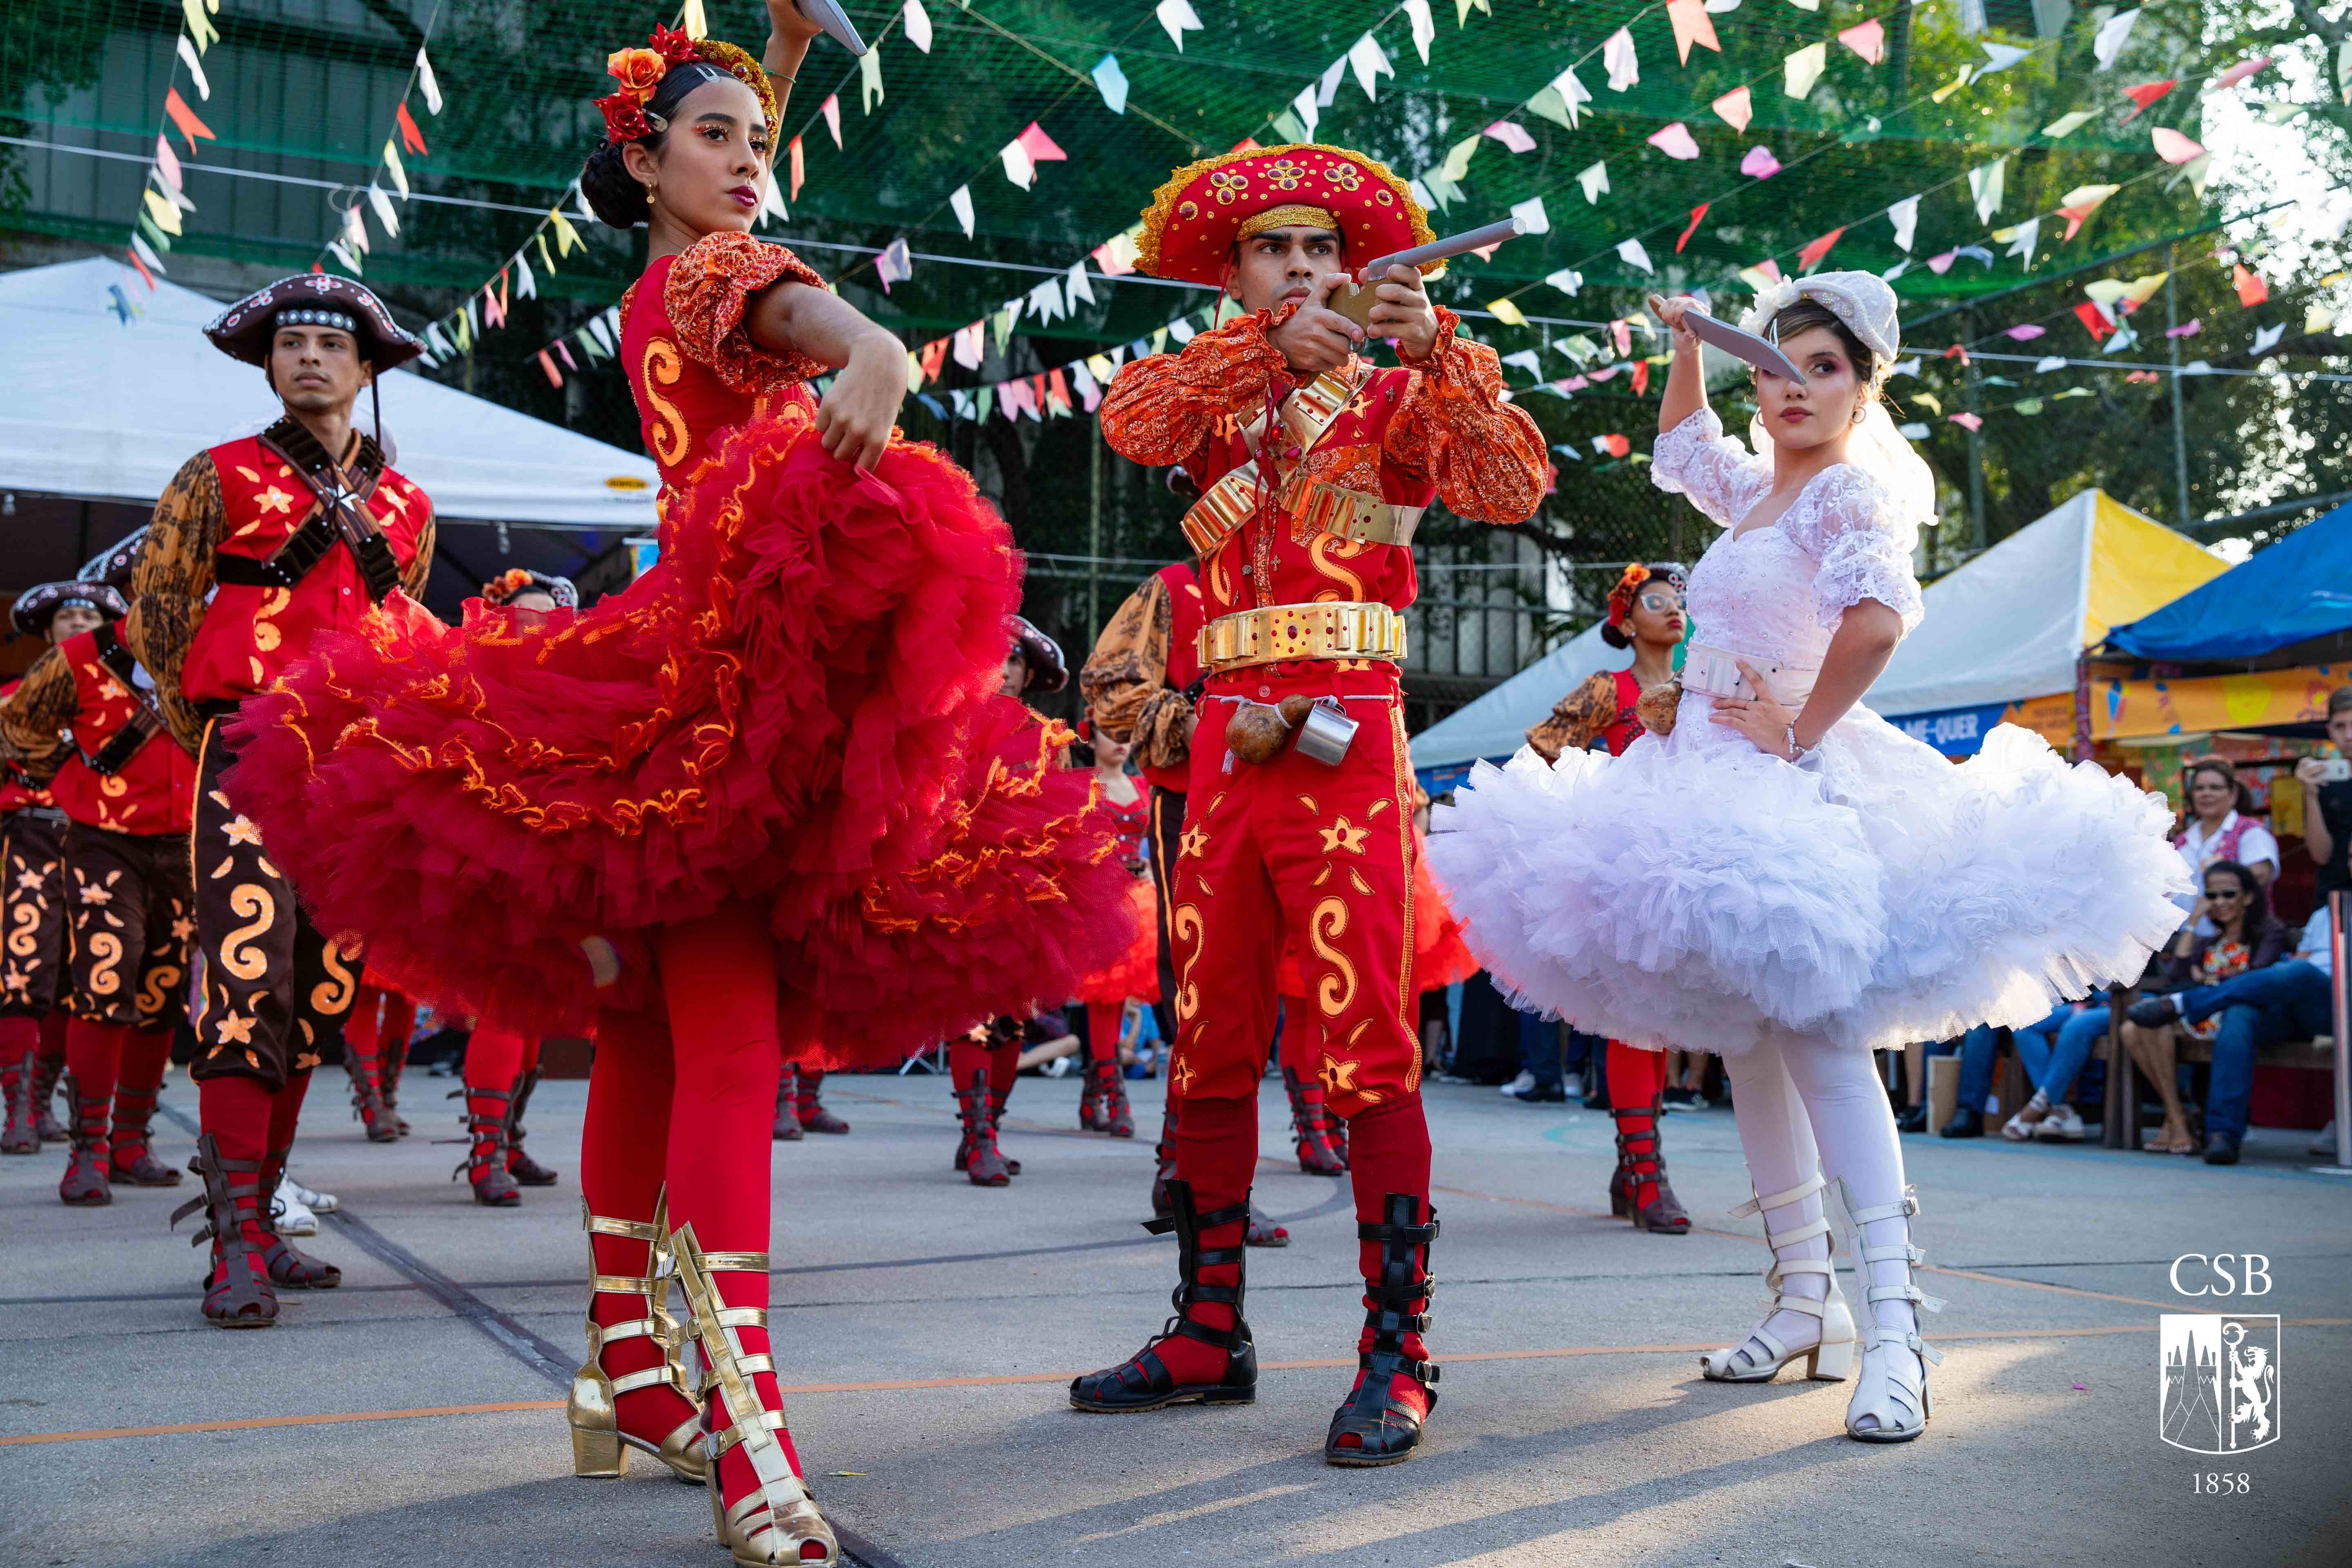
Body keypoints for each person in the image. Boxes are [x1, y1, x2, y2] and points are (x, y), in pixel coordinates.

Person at [212, 15, 1129, 1564]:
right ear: (644, 158)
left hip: (697, 658)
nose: (748, 161)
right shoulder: (709, 272)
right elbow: (833, 330)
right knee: (727, 1040)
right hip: (723, 682)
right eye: (716, 137)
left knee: (643, 1026)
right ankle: (751, 1439)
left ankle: (635, 1379)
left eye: (758, 140)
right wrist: (885, 354)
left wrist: (772, 56)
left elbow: (784, 315)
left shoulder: (662, 283)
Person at [1431, 273, 2187, 1443]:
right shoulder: (1752, 492)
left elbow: (1879, 616)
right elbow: (1680, 450)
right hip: (1705, 781)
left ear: (1861, 385)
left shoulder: (1841, 493)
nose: (1789, 388)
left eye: (1820, 368)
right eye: (1774, 367)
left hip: (1795, 787)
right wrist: (1686, 343)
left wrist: (1796, 727)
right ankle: (1802, 1304)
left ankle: (1896, 1333)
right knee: (1750, 1044)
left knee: (1824, 1046)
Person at [1070, 141, 1548, 1467]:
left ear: (1357, 270)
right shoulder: (1210, 393)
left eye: (1320, 249)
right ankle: (1204, 1329)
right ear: (1231, 277)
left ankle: (1399, 1351)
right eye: (1271, 250)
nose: (1299, 266)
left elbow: (1510, 486)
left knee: (1371, 1046)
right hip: (1222, 742)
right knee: (1208, 1037)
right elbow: (1129, 422)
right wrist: (1269, 352)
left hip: (1350, 740)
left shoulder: (1401, 393)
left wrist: (1440, 344)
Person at [122, 273, 436, 1327]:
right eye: (291, 343)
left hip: (355, 765)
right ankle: (235, 1244)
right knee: (248, 972)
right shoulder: (212, 477)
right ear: (267, 363)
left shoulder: (408, 504)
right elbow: (158, 621)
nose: (310, 357)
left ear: (366, 367)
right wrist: (205, 730)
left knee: (321, 993)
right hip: (249, 746)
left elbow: (404, 629)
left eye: (331, 345)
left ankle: (261, 1220)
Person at [1080, 559, 1292, 1245]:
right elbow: (1112, 684)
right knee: (1205, 988)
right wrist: (1200, 718)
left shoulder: (1308, 573)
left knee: (1263, 994)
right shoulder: (1177, 586)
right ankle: (1198, 1178)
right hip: (1193, 802)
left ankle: (1196, 1175)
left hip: (1294, 803)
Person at [0, 564, 196, 1204]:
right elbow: (20, 724)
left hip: (188, 844)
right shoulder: (83, 658)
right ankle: (87, 1149)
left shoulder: (213, 652)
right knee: (104, 982)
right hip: (104, 841)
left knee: (163, 990)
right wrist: (71, 784)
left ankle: (131, 1144)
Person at [1522, 562, 1693, 1233]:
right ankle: (1648, 1179)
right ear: (1626, 622)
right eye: (1656, 602)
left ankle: (1632, 1168)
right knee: (1635, 1019)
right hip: (1620, 872)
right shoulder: (1606, 688)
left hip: (1683, 871)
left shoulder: (1701, 689)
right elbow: (1540, 749)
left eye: (1678, 602)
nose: (1673, 611)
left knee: (1667, 1022)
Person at [1, 582, 116, 1154]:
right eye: (67, 615)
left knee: (81, 982)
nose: (77, 621)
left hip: (101, 847)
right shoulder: (11, 696)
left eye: (90, 615)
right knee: (25, 972)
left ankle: (44, 1102)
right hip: (28, 839)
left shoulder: (123, 706)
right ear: (47, 633)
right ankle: (17, 1110)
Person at [2128, 899, 2334, 1164]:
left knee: (2300, 971)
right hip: (2293, 1003)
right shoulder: (2325, 912)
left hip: (2334, 1008)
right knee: (2239, 1013)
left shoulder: (2267, 933)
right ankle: (2222, 1135)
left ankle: (2185, 1003)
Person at [2116, 860, 2289, 1156]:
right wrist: (2194, 922)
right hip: (2200, 1016)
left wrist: (2212, 979)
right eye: (2211, 896)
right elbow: (2177, 978)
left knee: (2148, 1023)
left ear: (2248, 897)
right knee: (2132, 1028)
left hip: (2240, 1019)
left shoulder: (2269, 933)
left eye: (2228, 894)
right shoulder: (2209, 940)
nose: (2219, 902)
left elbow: (2258, 975)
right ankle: (2177, 1117)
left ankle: (2176, 1121)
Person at [1072, 723, 1150, 1141]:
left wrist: (1152, 870)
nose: (1121, 741)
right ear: (1090, 739)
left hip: (1138, 901)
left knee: (1119, 997)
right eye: (1111, 731)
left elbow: (1154, 841)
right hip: (1096, 902)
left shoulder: (1143, 785)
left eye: (1127, 732)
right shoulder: (1081, 785)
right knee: (1107, 996)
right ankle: (1115, 1097)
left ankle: (1092, 1096)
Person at [1998, 998, 2113, 1142]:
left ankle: (2038, 1105)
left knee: (2077, 1023)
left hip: (2121, 1002)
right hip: (2086, 1001)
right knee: (2022, 1022)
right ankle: (2060, 1108)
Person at [2172, 756, 2278, 910]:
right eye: (2199, 788)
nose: (2206, 794)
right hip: (2183, 932)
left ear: (2233, 794)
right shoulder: (2183, 840)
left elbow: (2258, 877)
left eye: (2215, 788)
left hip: (2240, 933)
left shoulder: (2251, 832)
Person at [2293, 686, 2352, 905]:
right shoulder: (2320, 780)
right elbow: (2321, 855)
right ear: (2330, 731)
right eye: (2340, 726)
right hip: (2336, 900)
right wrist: (2310, 794)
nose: (2349, 735)